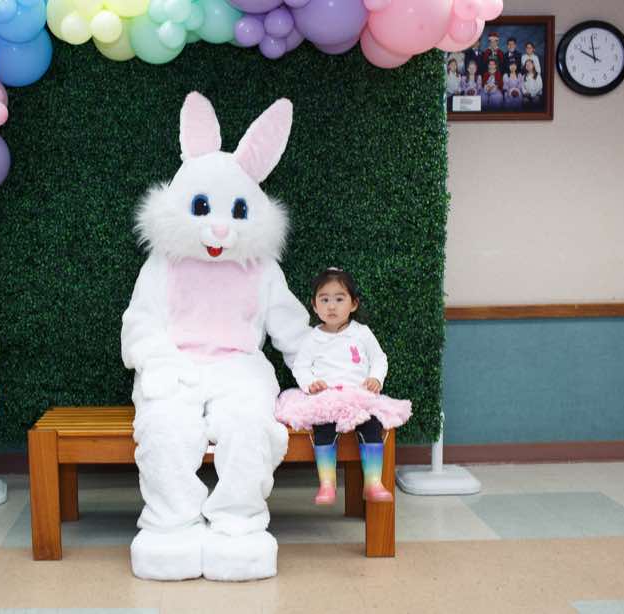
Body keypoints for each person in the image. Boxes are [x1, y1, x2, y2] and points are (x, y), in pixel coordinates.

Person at [122, 92, 309, 582]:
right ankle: (170, 525)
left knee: (250, 425)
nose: (219, 226)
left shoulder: (260, 267)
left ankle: (239, 525)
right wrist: (156, 360)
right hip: (176, 363)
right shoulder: (163, 263)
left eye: (236, 211)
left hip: (238, 366)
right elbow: (140, 321)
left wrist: (318, 372)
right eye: (202, 207)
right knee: (163, 427)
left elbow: (291, 328)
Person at [275, 268, 411, 506]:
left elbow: (379, 359)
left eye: (339, 299)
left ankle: (373, 483)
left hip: (359, 397)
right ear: (314, 306)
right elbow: (301, 366)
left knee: (372, 424)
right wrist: (310, 383)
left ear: (353, 304)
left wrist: (375, 378)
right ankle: (327, 484)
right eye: (324, 300)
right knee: (324, 427)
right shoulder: (313, 338)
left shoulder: (362, 334)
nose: (331, 306)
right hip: (326, 398)